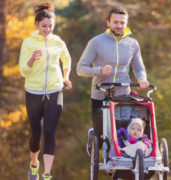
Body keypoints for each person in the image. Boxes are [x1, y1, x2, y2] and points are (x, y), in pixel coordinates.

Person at [76, 7, 149, 150]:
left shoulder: (132, 44)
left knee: (124, 134)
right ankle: (94, 135)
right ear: (108, 23)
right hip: (100, 92)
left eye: (122, 22)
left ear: (126, 23)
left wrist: (142, 79)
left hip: (123, 93)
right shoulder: (96, 42)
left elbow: (139, 68)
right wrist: (99, 70)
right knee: (101, 139)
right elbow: (80, 69)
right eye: (116, 22)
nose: (119, 25)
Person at [19, 2, 72, 180]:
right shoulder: (28, 43)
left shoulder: (58, 41)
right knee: (36, 133)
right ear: (37, 25)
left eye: (50, 26)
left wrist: (66, 77)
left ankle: (47, 174)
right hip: (33, 93)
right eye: (44, 26)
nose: (48, 29)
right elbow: (23, 71)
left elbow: (67, 59)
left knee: (50, 131)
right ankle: (34, 163)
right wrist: (32, 59)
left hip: (55, 91)